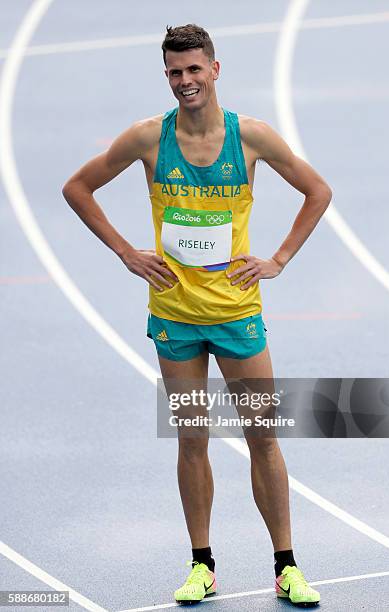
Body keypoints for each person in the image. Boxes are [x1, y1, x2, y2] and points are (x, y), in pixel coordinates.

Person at [62, 23, 332, 607]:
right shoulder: (147, 140)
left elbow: (317, 191)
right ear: (167, 76)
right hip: (175, 321)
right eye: (174, 72)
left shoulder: (252, 137)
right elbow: (78, 187)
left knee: (262, 437)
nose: (185, 81)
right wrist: (126, 253)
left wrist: (278, 259)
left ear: (214, 69)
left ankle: (287, 565)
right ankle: (202, 564)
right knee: (192, 438)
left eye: (193, 70)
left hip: (237, 316)